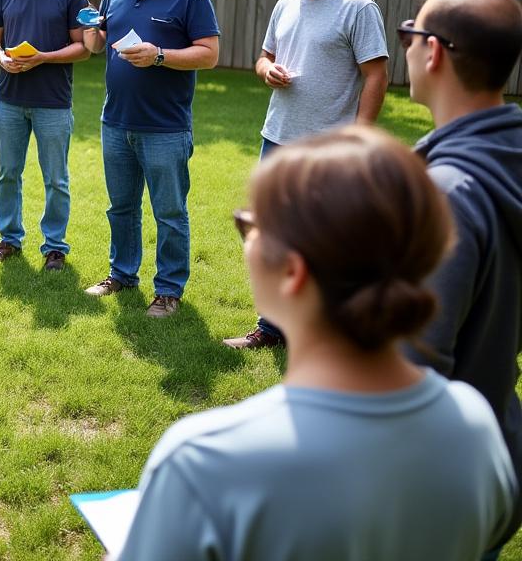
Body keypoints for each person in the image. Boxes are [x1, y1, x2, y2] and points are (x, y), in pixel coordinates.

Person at [120, 126, 516, 560]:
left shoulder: (204, 461)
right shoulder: (476, 426)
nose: (245, 238)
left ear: (294, 272)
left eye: (249, 226)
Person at [224, 0, 389, 350]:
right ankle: (272, 328)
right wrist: (267, 70)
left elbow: (376, 75)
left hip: (329, 147)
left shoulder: (358, 7)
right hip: (277, 136)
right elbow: (263, 56)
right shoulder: (285, 5)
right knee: (273, 237)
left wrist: (359, 139)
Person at [401, 0, 522, 554]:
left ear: (433, 50)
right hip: (496, 436)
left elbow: (413, 367)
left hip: (430, 479)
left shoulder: (448, 193)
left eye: (409, 32)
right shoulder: (509, 159)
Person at [83, 0, 220, 316]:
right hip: (116, 121)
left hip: (165, 126)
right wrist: (92, 30)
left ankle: (169, 291)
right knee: (120, 206)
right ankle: (122, 274)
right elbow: (99, 44)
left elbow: (209, 54)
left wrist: (159, 55)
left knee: (169, 211)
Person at [0, 0, 94, 272]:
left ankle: (55, 247)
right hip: (9, 98)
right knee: (8, 173)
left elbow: (83, 48)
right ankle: (9, 239)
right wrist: (1, 58)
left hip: (53, 101)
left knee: (56, 178)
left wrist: (43, 57)